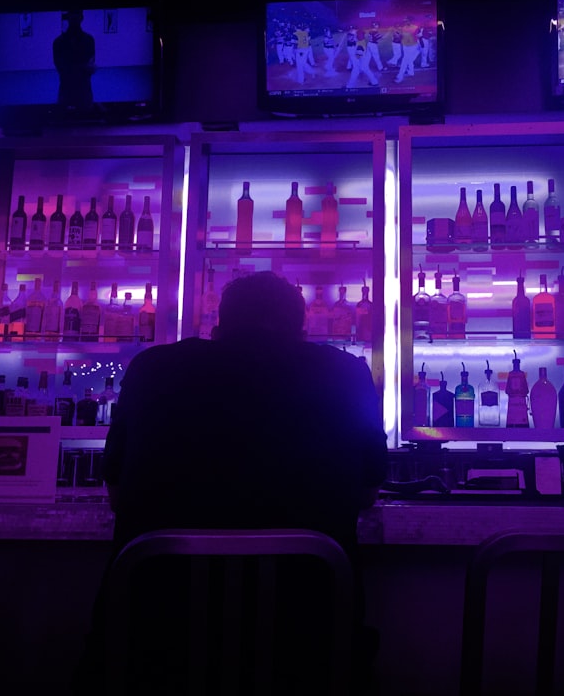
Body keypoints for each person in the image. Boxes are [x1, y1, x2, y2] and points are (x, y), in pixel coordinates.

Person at [74, 270, 388, 695]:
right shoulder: (345, 373)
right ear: (302, 330)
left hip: (153, 638)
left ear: (217, 326)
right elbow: (368, 492)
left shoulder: (153, 368)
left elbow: (117, 490)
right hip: (308, 640)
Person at [52, 9, 96, 110]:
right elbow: (61, 67)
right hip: (75, 90)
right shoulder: (88, 40)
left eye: (76, 16)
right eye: (73, 16)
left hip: (73, 89)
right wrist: (83, 67)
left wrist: (74, 68)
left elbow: (63, 68)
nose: (74, 19)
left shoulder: (58, 42)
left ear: (81, 18)